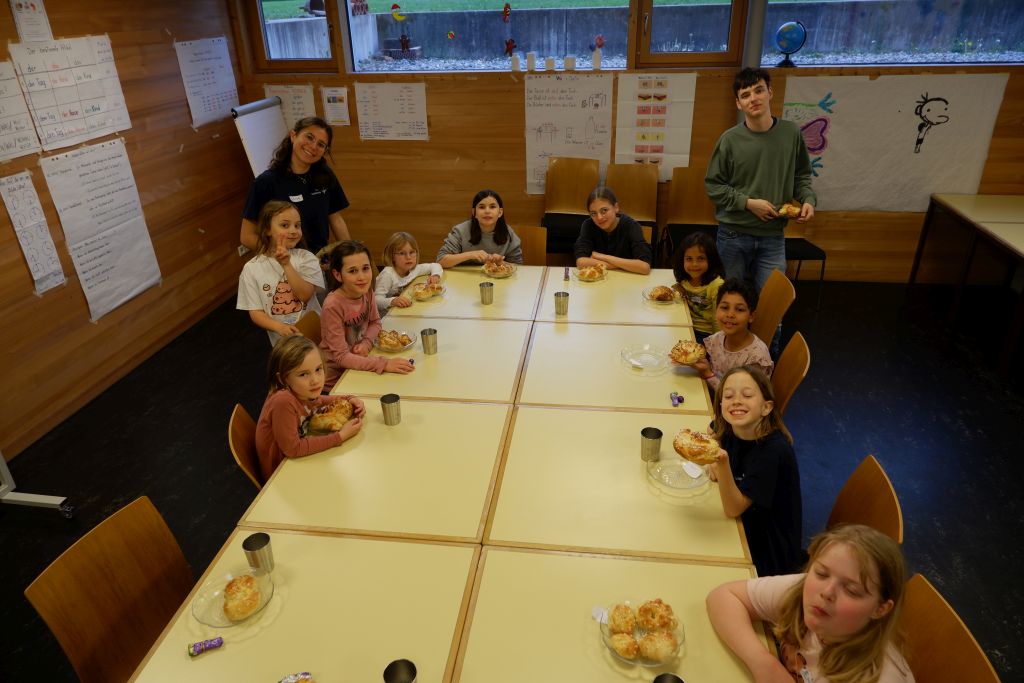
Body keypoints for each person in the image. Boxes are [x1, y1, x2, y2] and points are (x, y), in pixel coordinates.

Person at [706, 524, 913, 683]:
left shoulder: (878, 677)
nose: (827, 592)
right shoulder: (805, 589)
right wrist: (762, 662)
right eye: (821, 573)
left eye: (851, 590)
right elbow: (723, 597)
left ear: (880, 609)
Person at [705, 68, 815, 355]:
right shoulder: (729, 140)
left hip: (772, 237)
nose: (753, 98)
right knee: (729, 306)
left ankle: (765, 366)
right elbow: (713, 186)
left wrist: (807, 199)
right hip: (732, 235)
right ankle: (725, 362)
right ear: (738, 103)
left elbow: (802, 175)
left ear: (770, 93)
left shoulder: (790, 133)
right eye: (745, 95)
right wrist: (748, 203)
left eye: (758, 90)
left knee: (770, 308)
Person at [707, 365, 802, 577]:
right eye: (728, 396)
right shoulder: (732, 426)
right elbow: (712, 429)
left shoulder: (772, 451)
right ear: (721, 405)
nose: (736, 401)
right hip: (743, 524)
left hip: (765, 553)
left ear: (766, 407)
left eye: (747, 395)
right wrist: (714, 453)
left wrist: (720, 464)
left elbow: (733, 508)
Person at [254, 335, 364, 481]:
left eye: (318, 369)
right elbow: (293, 449)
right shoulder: (282, 401)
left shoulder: (300, 391)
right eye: (303, 374)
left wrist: (348, 398)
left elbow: (318, 401)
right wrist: (340, 436)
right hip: (283, 474)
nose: (315, 380)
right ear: (283, 379)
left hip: (300, 460)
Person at [240, 116, 351, 254]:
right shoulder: (266, 182)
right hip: (282, 260)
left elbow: (335, 219)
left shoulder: (325, 175)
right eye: (309, 137)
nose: (313, 146)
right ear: (293, 135)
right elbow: (246, 236)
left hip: (318, 260)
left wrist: (351, 254)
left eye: (321, 144)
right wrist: (282, 256)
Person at [320, 240, 414, 391]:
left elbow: (375, 322)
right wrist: (383, 363)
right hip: (337, 381)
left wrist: (366, 344)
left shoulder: (366, 291)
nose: (362, 277)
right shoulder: (332, 305)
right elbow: (341, 357)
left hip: (361, 363)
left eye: (365, 268)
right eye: (352, 271)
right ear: (337, 275)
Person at [237, 200, 325, 346]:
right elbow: (256, 312)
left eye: (297, 225)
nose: (293, 230)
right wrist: (279, 327)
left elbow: (304, 295)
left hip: (316, 334)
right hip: (284, 343)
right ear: (267, 229)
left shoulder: (307, 258)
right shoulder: (251, 268)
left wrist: (286, 265)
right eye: (285, 225)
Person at [688, 278, 773, 392]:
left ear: (751, 316)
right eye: (724, 307)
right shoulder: (718, 338)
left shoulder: (756, 358)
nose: (730, 314)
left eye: (739, 309)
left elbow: (741, 398)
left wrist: (708, 375)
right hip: (712, 393)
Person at [574, 186, 652, 275]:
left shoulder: (631, 226)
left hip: (626, 279)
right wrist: (623, 265)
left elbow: (644, 267)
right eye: (593, 213)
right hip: (599, 280)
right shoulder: (588, 225)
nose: (599, 217)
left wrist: (602, 257)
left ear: (616, 207)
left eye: (604, 210)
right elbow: (581, 262)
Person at [436, 189, 523, 267]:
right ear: (474, 212)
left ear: (500, 212)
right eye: (482, 207)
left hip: (497, 278)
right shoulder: (461, 231)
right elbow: (441, 260)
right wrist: (471, 255)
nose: (487, 211)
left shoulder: (508, 233)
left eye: (492, 207)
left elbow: (518, 266)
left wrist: (501, 263)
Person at [673, 231, 725, 344]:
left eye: (701, 258)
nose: (694, 264)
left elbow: (718, 321)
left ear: (711, 260)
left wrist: (716, 346)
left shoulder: (716, 286)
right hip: (686, 326)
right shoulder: (685, 279)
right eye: (689, 259)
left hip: (706, 334)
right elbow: (677, 289)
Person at [375, 231, 443, 316]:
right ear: (392, 256)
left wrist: (435, 275)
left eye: (412, 252)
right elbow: (376, 300)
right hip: (387, 316)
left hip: (406, 310)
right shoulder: (387, 275)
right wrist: (393, 301)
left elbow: (435, 265)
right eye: (402, 253)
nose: (408, 257)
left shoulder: (414, 269)